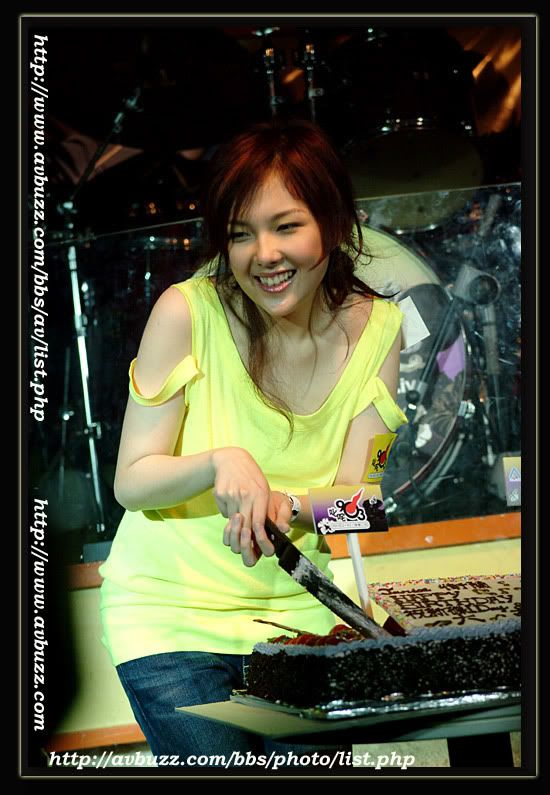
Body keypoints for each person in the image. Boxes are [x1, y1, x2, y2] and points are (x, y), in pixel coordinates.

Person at [98, 118, 408, 770]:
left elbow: (365, 503)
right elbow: (131, 481)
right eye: (241, 233)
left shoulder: (381, 329)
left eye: (286, 226)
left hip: (301, 617)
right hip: (171, 617)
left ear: (333, 221)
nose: (263, 254)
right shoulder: (186, 311)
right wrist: (221, 462)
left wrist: (289, 504)